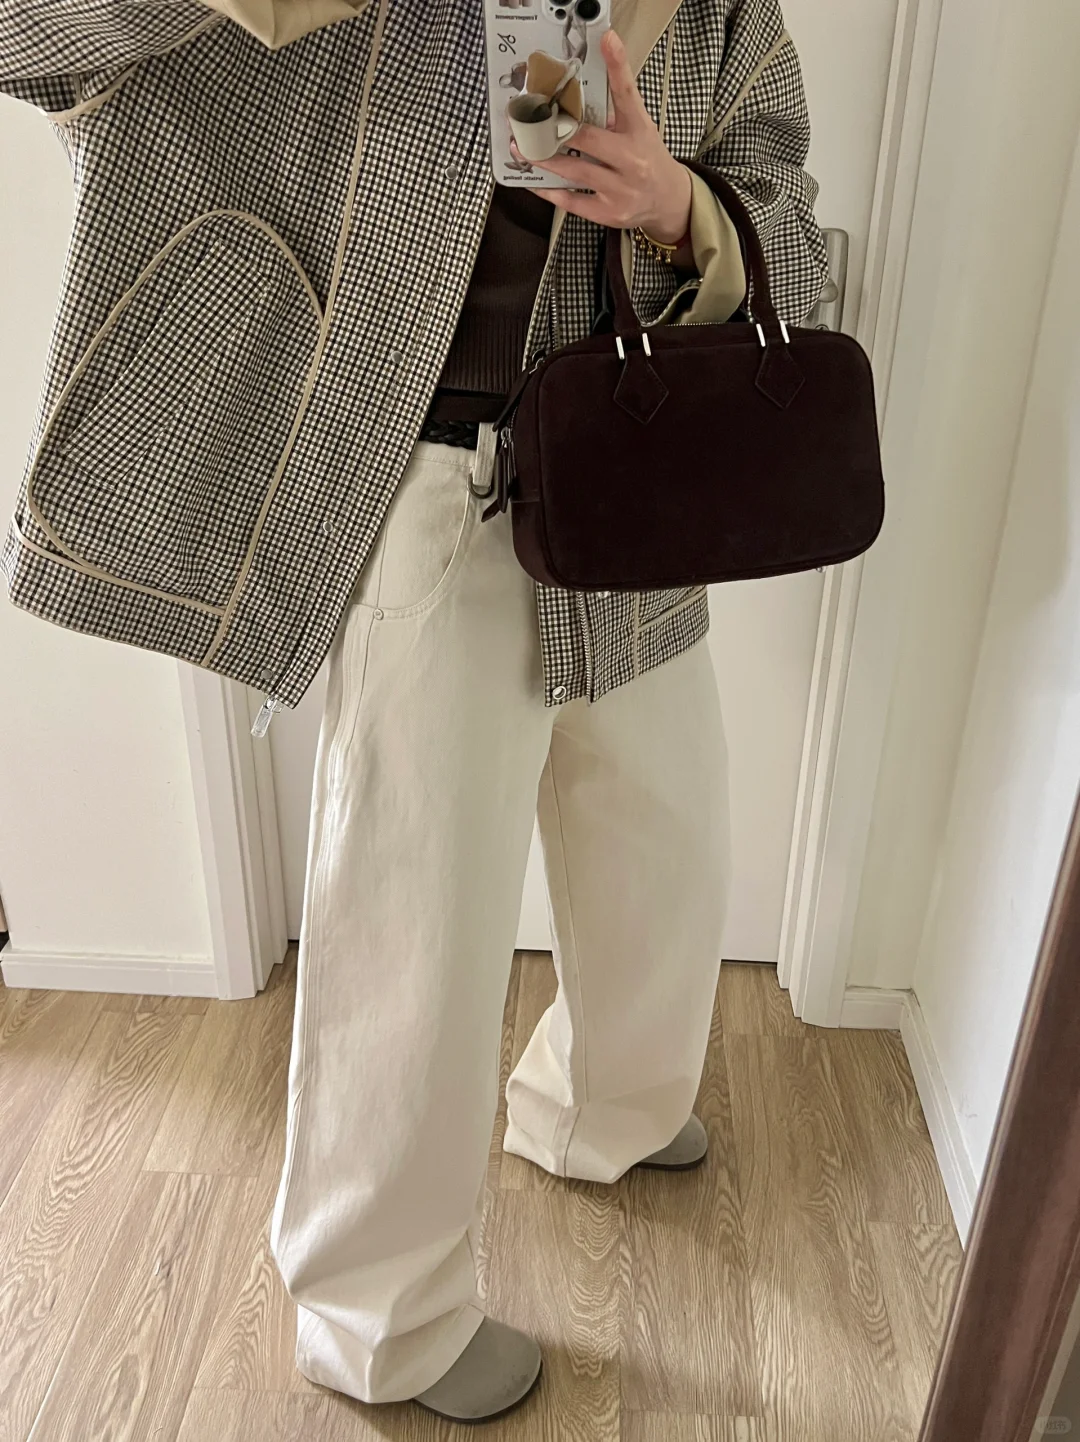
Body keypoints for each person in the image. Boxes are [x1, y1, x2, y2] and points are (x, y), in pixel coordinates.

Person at [0, 0, 826, 1423]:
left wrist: (681, 208)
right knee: (412, 914)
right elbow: (30, 39)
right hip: (439, 488)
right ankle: (379, 1317)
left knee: (668, 841)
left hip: (640, 478)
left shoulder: (715, 14)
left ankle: (607, 1109)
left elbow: (799, 244)